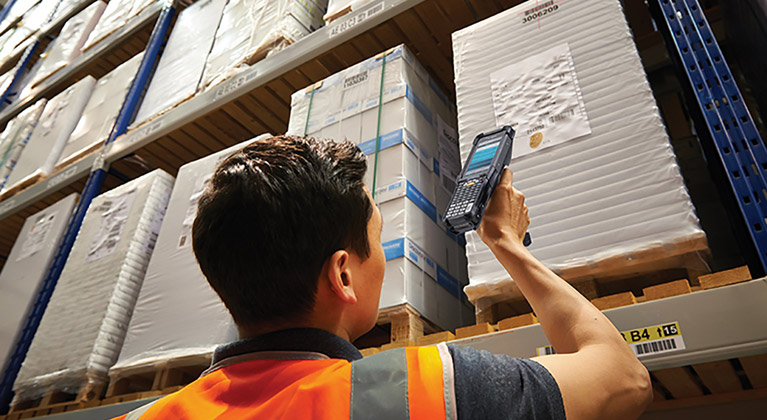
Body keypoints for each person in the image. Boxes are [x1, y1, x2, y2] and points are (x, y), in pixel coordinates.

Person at [116, 135, 652, 420]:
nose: (384, 254)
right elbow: (623, 380)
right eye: (376, 238)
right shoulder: (427, 391)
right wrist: (506, 243)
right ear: (342, 274)